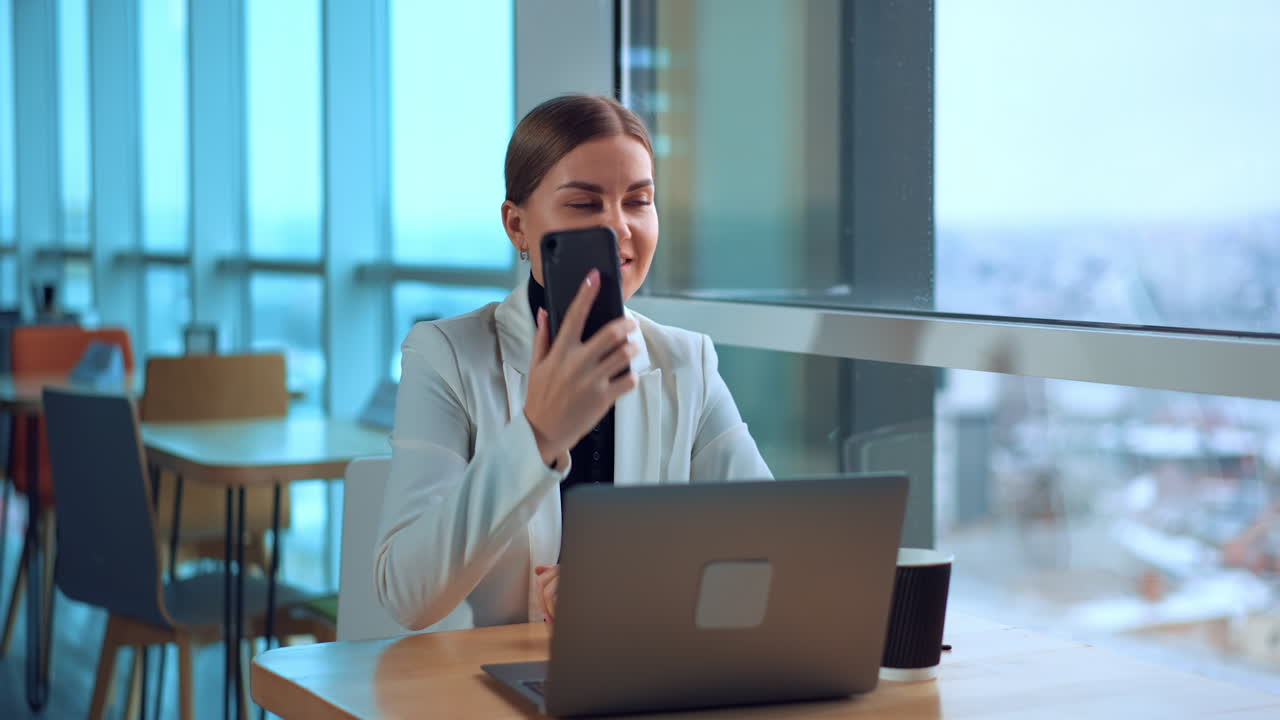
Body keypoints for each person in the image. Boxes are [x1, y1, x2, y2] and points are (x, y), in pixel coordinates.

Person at [374, 95, 772, 631]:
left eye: (639, 201)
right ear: (517, 226)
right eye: (585, 205)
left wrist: (635, 585)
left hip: (637, 674)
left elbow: (770, 550)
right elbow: (407, 595)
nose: (618, 229)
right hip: (478, 688)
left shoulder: (686, 361)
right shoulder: (445, 354)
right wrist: (537, 436)